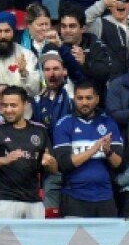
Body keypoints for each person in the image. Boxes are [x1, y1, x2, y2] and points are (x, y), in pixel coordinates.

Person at [0, 85, 57, 219]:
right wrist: (4, 160)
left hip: (34, 201)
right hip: (3, 200)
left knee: (35, 240)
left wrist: (49, 161)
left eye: (13, 105)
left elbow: (54, 169)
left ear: (25, 104)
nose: (8, 110)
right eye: (5, 105)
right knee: (3, 240)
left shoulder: (40, 130)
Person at [52, 80, 123, 217]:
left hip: (105, 197)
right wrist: (93, 150)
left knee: (107, 239)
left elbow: (119, 165)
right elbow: (64, 164)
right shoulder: (64, 124)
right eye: (80, 98)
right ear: (74, 99)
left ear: (97, 99)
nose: (84, 102)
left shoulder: (109, 123)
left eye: (89, 98)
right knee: (75, 239)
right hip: (74, 197)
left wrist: (108, 151)